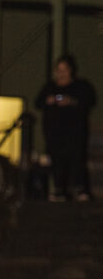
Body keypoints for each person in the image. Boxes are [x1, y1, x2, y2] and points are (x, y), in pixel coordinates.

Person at [35, 55, 97, 201]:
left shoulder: (80, 86)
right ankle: (59, 189)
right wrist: (49, 101)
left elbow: (89, 101)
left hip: (75, 133)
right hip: (55, 133)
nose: (61, 73)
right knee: (57, 161)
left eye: (64, 70)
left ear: (71, 70)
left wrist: (71, 101)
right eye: (59, 70)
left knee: (77, 160)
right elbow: (38, 103)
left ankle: (81, 189)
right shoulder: (50, 87)